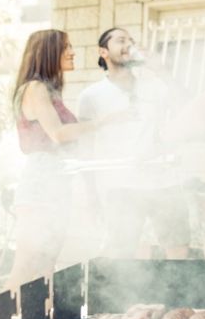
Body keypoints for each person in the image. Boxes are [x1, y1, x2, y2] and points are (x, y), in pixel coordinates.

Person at [7, 29, 122, 289]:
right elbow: (58, 134)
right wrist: (102, 122)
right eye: (66, 47)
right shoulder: (35, 89)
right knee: (25, 266)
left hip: (56, 185)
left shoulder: (49, 91)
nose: (72, 52)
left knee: (47, 266)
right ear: (48, 52)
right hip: (39, 186)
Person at [78, 27, 191, 259]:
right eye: (120, 40)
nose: (129, 44)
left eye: (131, 40)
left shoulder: (155, 86)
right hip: (122, 187)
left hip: (165, 182)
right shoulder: (91, 96)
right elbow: (85, 149)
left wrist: (161, 70)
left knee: (178, 249)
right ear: (103, 52)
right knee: (121, 257)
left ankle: (178, 295)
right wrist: (90, 194)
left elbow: (186, 106)